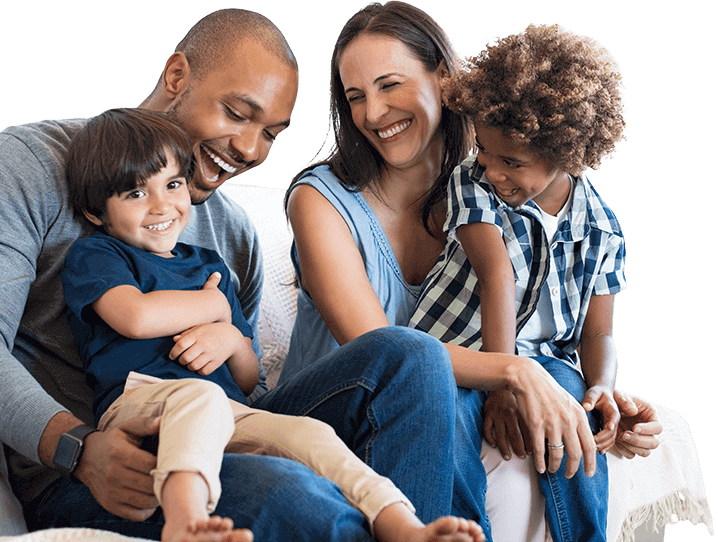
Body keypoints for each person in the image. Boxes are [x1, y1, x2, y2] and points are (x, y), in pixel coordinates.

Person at [0, 8, 470, 540]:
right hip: (94, 466)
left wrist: (231, 340)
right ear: (176, 76)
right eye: (236, 112)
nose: (249, 150)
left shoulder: (232, 234)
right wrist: (78, 449)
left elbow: (245, 387)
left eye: (270, 132)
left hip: (219, 424)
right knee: (290, 491)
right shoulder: (32, 164)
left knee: (411, 353)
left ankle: (415, 528)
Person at [281, 3, 662, 541]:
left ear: (444, 77)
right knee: (425, 372)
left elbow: (568, 317)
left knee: (555, 389)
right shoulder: (322, 201)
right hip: (338, 408)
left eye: (390, 85)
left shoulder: (501, 186)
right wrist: (513, 373)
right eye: (355, 96)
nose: (372, 113)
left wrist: (598, 394)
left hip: (441, 387)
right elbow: (383, 351)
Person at [61, 106, 484, 542]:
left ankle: (402, 524)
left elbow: (246, 378)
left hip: (231, 412)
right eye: (135, 194)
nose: (161, 206)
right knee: (199, 396)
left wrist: (229, 334)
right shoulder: (99, 255)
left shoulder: (209, 266)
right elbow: (135, 316)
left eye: (172, 185)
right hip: (141, 407)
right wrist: (213, 308)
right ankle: (184, 523)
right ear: (97, 213)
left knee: (310, 434)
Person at [409, 23, 629, 541]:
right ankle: (460, 533)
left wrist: (604, 386)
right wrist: (503, 382)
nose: (492, 169)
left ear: (568, 154)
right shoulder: (474, 182)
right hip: (458, 351)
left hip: (547, 361)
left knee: (574, 408)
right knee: (452, 416)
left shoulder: (602, 230)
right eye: (484, 150)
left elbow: (597, 334)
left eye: (512, 161)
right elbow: (497, 276)